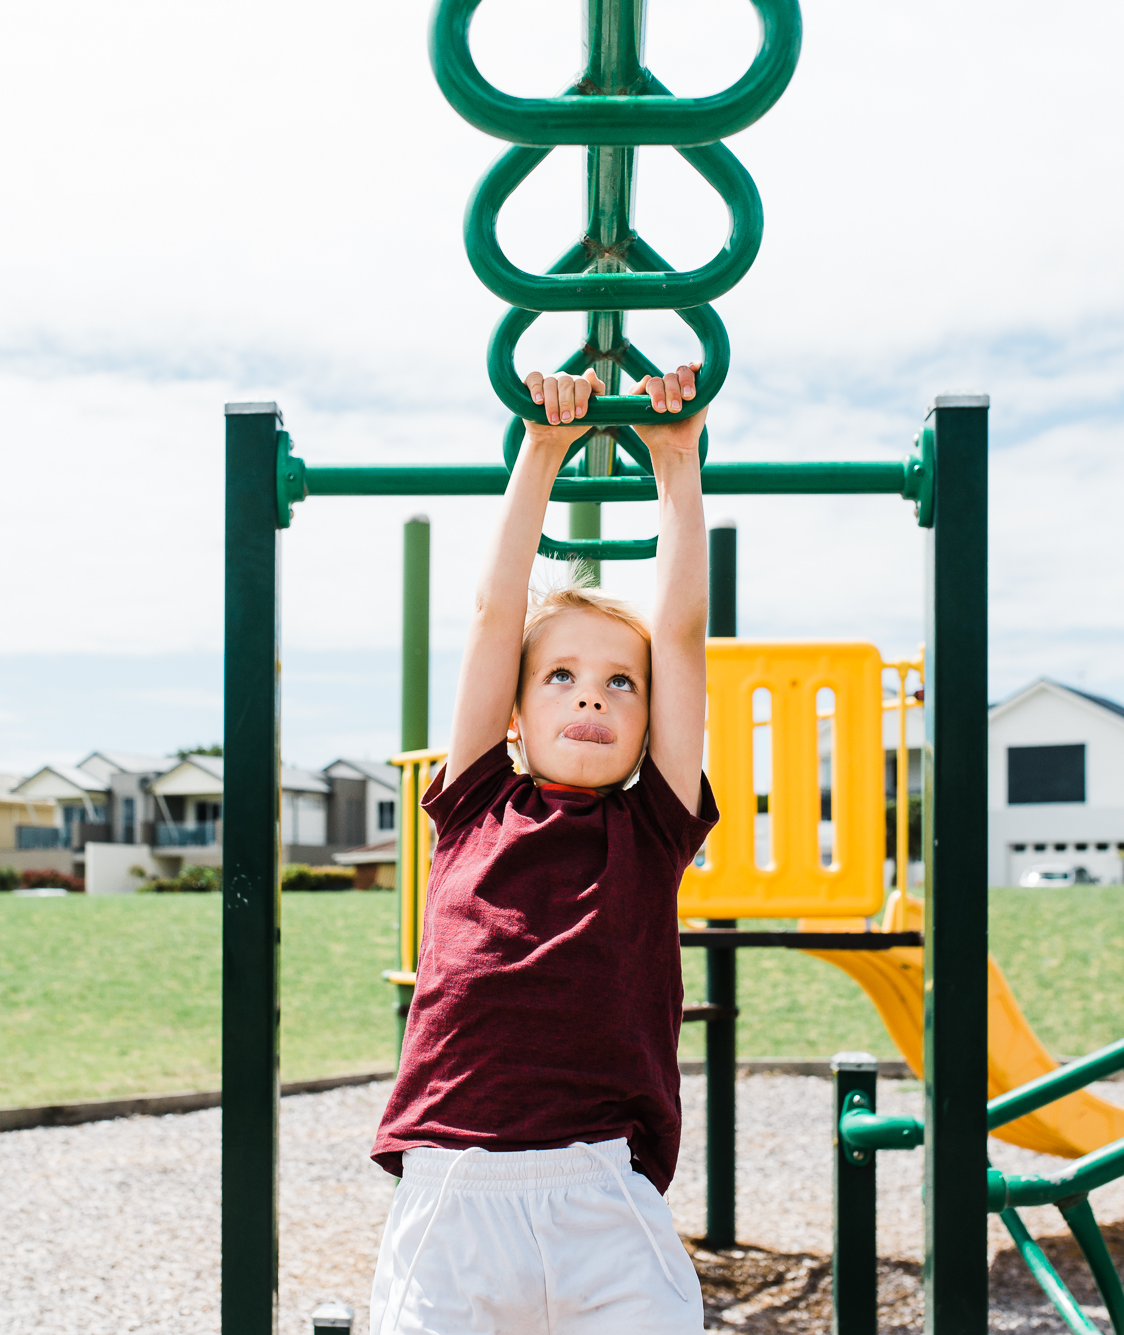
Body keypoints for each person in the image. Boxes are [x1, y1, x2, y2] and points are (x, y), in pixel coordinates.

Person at [368, 361, 718, 1334]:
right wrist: (539, 450)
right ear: (515, 715)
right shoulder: (475, 797)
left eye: (619, 684)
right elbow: (491, 617)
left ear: (650, 724)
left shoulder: (649, 829)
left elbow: (681, 638)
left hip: (600, 1192)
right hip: (451, 1192)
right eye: (559, 675)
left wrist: (677, 466)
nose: (590, 697)